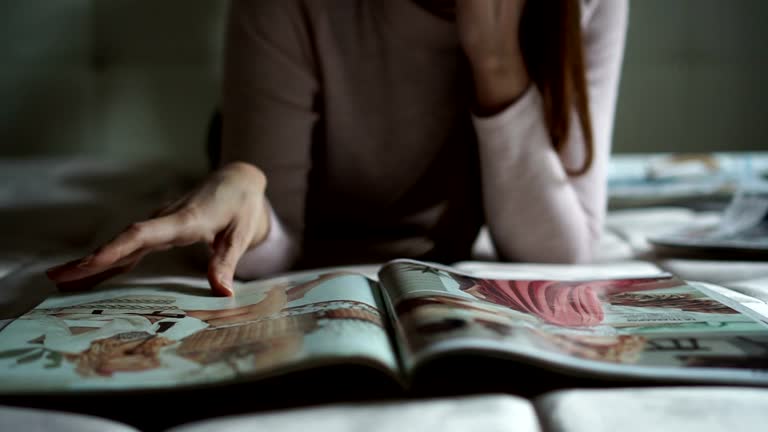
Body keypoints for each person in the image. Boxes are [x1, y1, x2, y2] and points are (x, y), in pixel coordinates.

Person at [47, 0, 628, 296]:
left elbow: (563, 252)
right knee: (232, 177)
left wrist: (497, 59)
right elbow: (272, 245)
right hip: (300, 183)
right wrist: (245, 185)